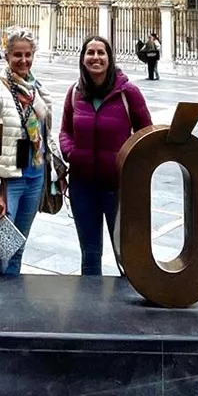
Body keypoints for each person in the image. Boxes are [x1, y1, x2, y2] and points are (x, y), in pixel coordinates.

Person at [59, 34, 152, 277]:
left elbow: (145, 134)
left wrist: (128, 165)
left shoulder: (128, 92)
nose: (96, 57)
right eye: (90, 52)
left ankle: (129, 311)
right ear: (83, 58)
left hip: (117, 187)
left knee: (126, 254)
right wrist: (72, 153)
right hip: (82, 185)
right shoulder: (74, 93)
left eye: (101, 53)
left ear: (110, 59)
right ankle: (90, 308)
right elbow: (65, 130)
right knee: (89, 254)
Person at [0, 26, 51, 276]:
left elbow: (45, 131)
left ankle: (13, 300)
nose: (23, 60)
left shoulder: (36, 89)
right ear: (7, 56)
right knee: (0, 247)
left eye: (28, 54)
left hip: (34, 176)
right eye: (18, 55)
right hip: (8, 180)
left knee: (18, 245)